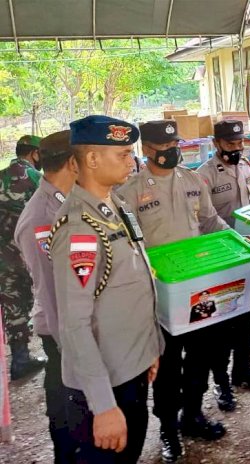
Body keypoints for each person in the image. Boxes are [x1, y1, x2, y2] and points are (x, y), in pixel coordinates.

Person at [48, 115, 163, 463]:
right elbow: (74, 326)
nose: (133, 161)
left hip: (131, 369)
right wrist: (103, 407)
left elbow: (132, 287)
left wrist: (149, 349)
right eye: (124, 154)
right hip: (105, 387)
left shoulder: (116, 207)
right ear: (93, 159)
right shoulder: (78, 229)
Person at [118, 119, 229, 462]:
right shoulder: (130, 192)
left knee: (201, 355)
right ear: (146, 150)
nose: (170, 152)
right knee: (166, 364)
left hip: (197, 289)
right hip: (159, 293)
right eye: (162, 148)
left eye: (173, 145)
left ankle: (192, 415)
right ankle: (168, 427)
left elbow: (210, 222)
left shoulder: (193, 179)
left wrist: (235, 238)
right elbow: (127, 245)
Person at [197, 119, 250, 413]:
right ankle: (222, 383)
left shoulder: (245, 167)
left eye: (240, 143)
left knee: (249, 316)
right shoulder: (204, 176)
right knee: (222, 323)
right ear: (216, 144)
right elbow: (204, 219)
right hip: (222, 256)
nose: (237, 149)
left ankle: (242, 371)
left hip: (248, 255)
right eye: (230, 144)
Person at [14, 130, 78, 463]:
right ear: (73, 162)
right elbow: (51, 290)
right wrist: (73, 344)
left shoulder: (71, 199)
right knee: (65, 406)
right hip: (60, 332)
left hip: (78, 329)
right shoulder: (41, 218)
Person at [0, 134, 46, 380]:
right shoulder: (34, 178)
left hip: (1, 257)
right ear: (34, 154)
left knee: (10, 305)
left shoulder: (1, 176)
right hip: (21, 255)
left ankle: (19, 359)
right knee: (23, 302)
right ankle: (22, 360)